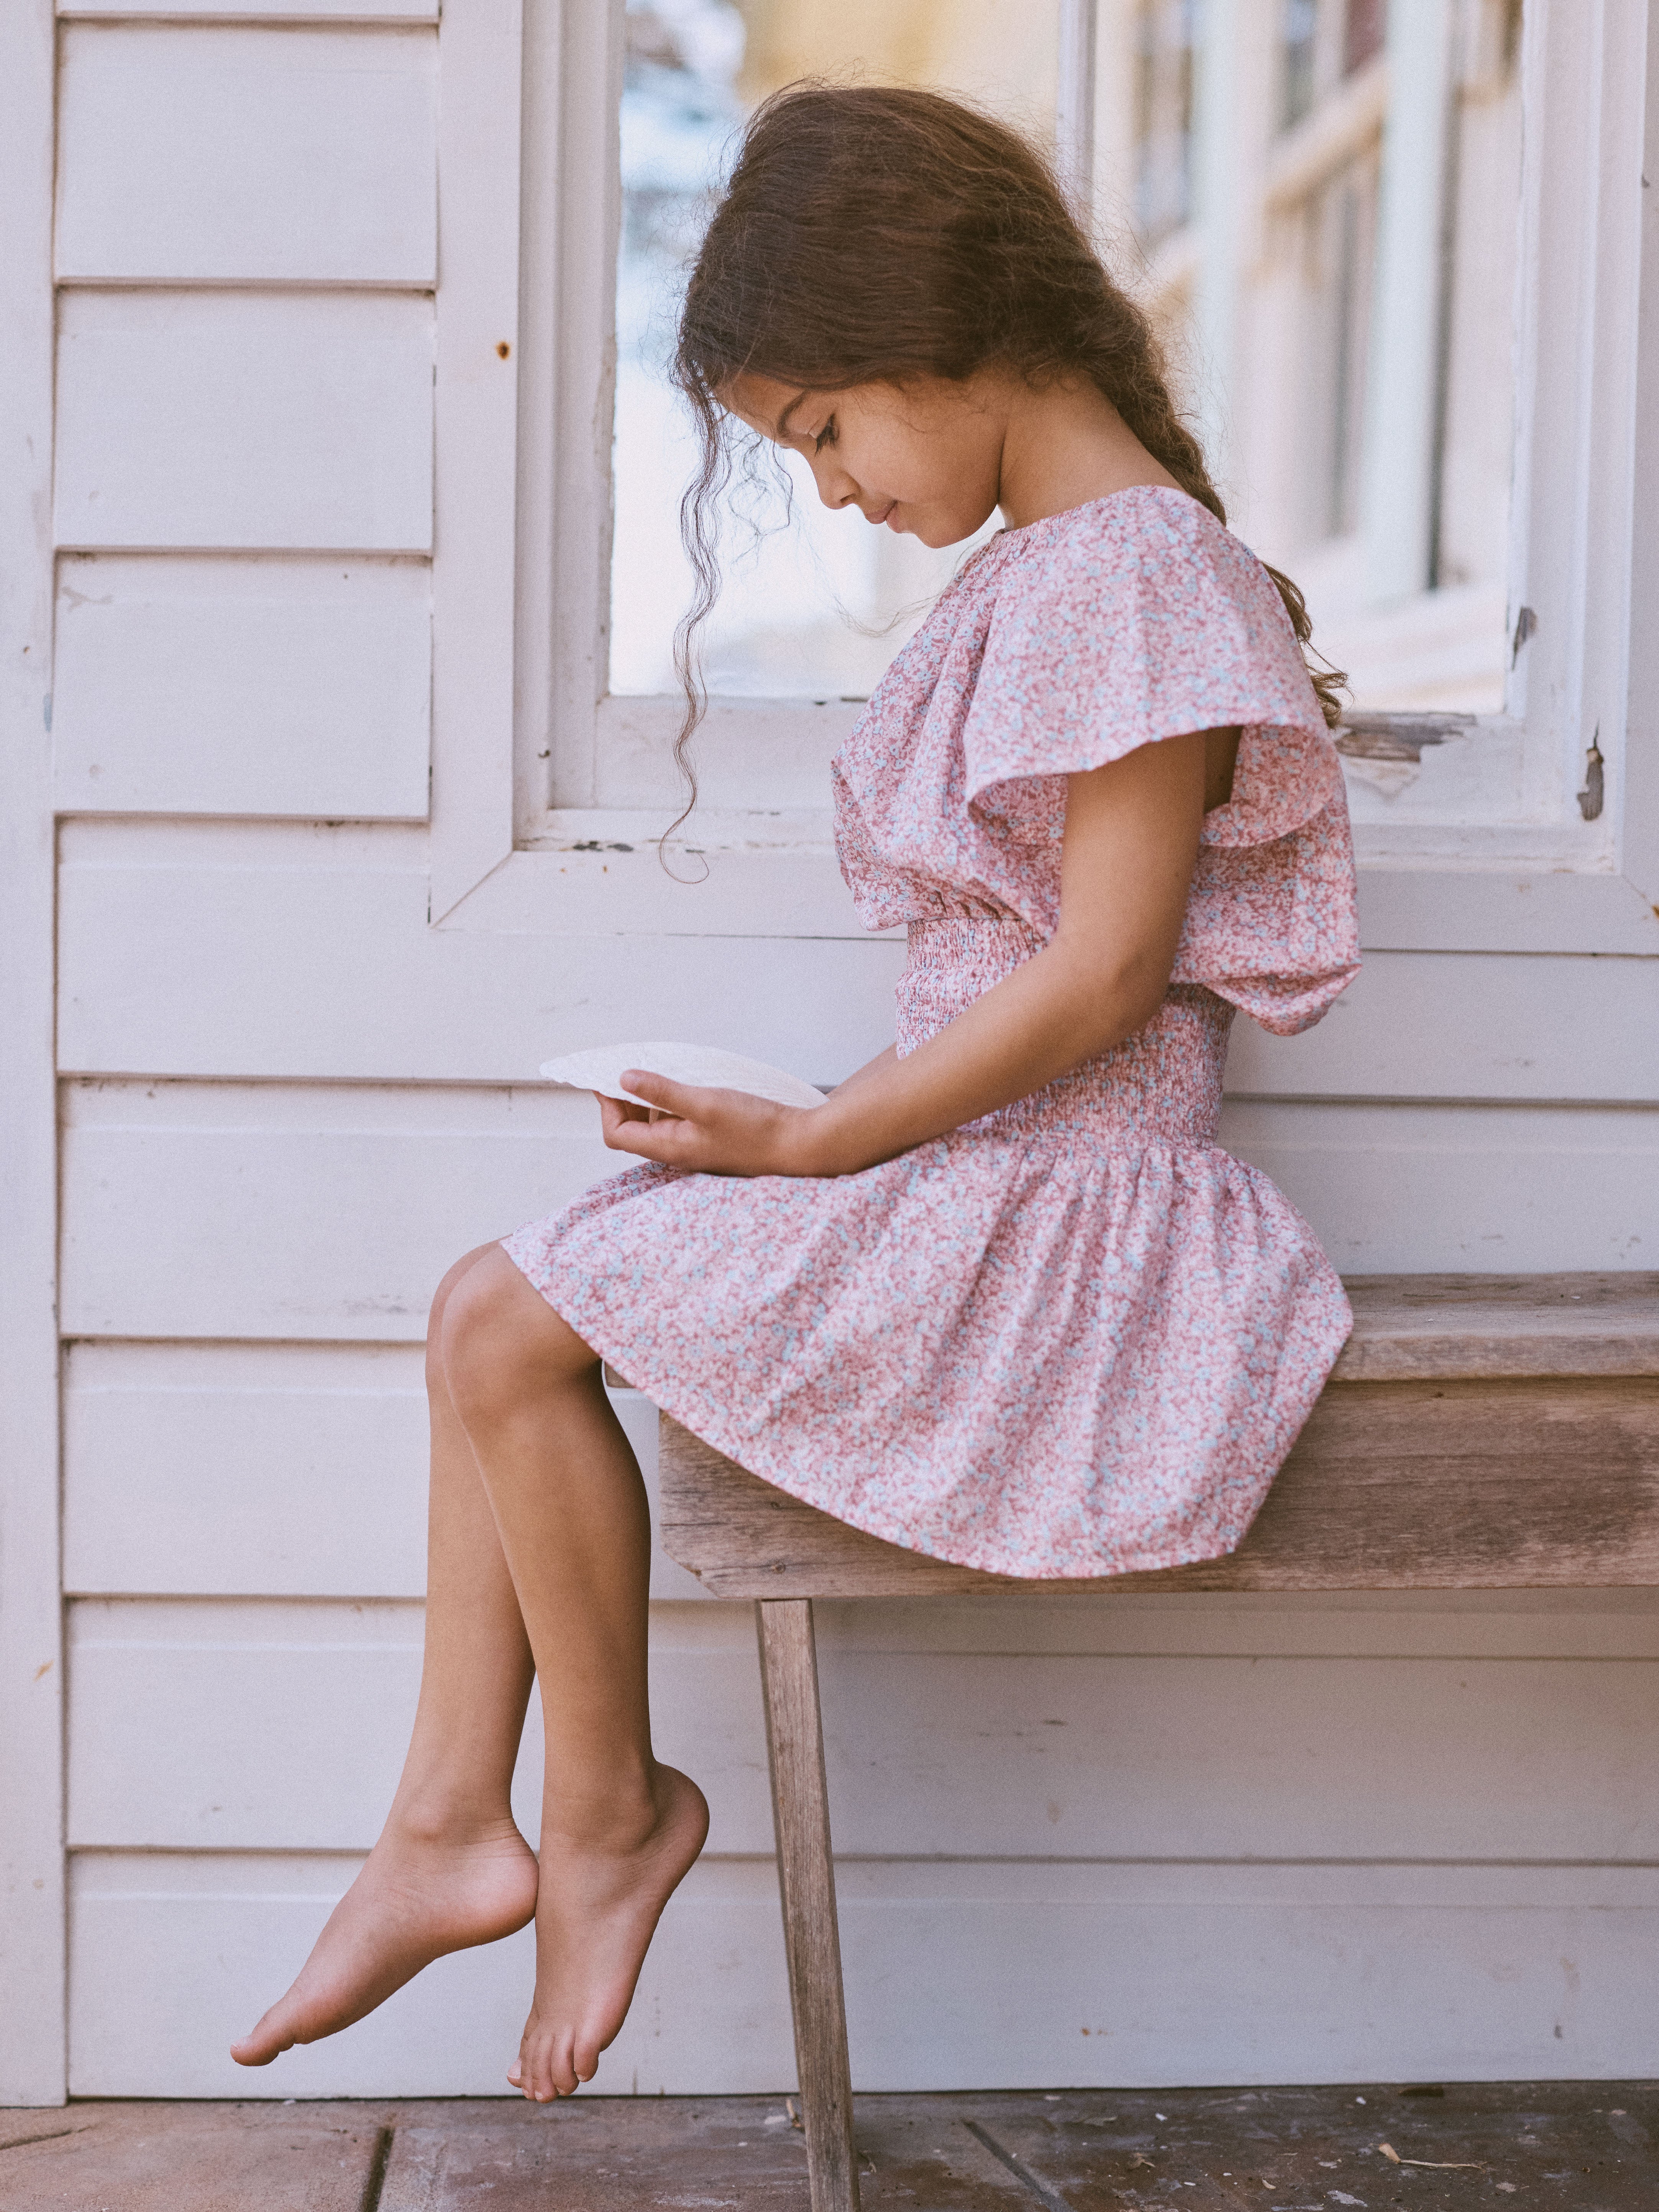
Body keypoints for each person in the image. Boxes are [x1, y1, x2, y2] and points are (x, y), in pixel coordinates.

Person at [232, 83, 1360, 2104]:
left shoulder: (1134, 572)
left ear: (945, 329)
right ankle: (476, 1827)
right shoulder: (1064, 574)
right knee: (495, 1316)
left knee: (505, 1314)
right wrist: (797, 1119)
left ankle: (575, 1827)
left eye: (825, 428)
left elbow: (1107, 971)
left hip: (1070, 1221)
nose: (831, 492)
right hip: (982, 1169)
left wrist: (822, 1138)